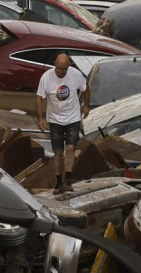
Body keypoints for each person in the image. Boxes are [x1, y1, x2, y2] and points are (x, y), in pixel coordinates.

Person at [36, 54, 89, 194]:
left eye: (64, 69)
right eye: (58, 68)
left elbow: (86, 88)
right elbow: (39, 97)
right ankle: (59, 182)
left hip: (73, 118)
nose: (60, 72)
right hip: (55, 119)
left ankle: (68, 180)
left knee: (70, 148)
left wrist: (86, 106)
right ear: (54, 64)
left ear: (69, 66)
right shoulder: (46, 77)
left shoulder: (76, 75)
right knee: (58, 152)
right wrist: (40, 118)